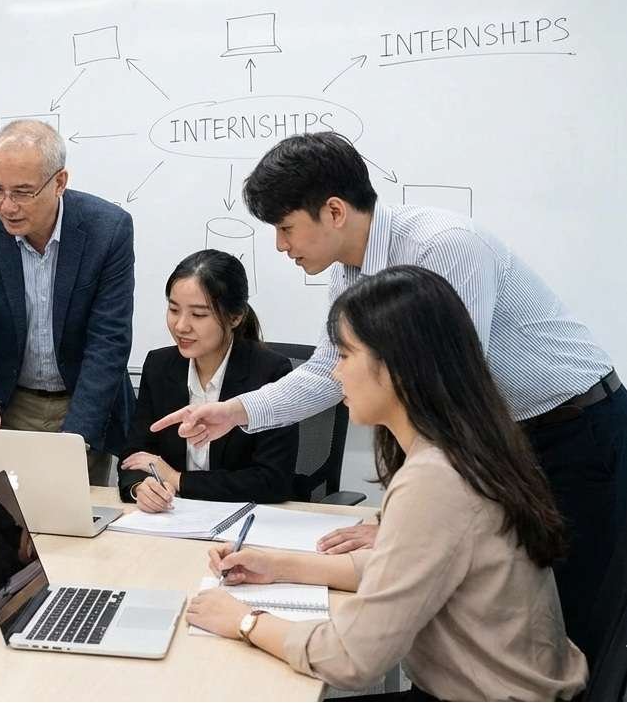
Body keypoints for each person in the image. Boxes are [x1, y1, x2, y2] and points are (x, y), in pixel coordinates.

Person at [153, 131, 623, 660]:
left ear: (334, 211)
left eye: (285, 228)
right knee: (504, 620)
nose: (281, 246)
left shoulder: (443, 247)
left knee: (568, 623)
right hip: (505, 438)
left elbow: (444, 389)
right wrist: (235, 411)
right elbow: (327, 372)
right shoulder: (350, 275)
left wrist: (406, 520)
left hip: (574, 427)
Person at [185, 265, 587, 701]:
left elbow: (351, 658)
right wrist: (278, 565)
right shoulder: (463, 448)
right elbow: (396, 570)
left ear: (398, 365)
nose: (335, 374)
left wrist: (245, 621)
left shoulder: (436, 479)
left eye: (345, 356)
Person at [0, 120, 135, 486]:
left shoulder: (108, 231)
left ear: (59, 182)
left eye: (23, 192)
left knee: (71, 511)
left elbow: (108, 341)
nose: (7, 206)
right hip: (6, 402)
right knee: (1, 513)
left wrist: (74, 442)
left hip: (82, 400)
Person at [119, 250, 297, 509]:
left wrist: (177, 479)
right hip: (171, 518)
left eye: (199, 315)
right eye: (174, 309)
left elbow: (272, 481)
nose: (181, 326)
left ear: (235, 317)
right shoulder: (159, 366)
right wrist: (141, 487)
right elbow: (135, 455)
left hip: (245, 516)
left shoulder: (270, 372)